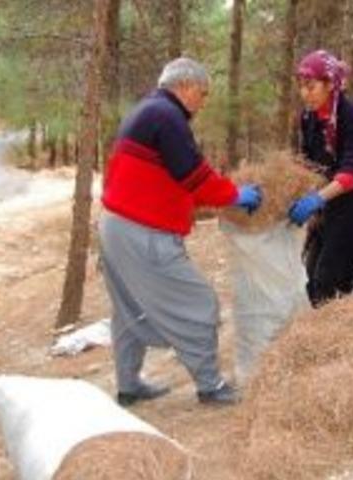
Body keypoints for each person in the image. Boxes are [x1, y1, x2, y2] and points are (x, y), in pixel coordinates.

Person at [99, 57, 262, 407]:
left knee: (129, 309)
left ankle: (129, 386)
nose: (202, 104)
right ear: (185, 86)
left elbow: (172, 177)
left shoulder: (147, 110)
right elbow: (195, 177)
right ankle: (211, 386)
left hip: (115, 226)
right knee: (200, 303)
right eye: (202, 94)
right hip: (142, 232)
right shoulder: (167, 116)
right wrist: (235, 195)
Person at [288, 50, 353, 308]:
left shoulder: (351, 117)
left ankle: (335, 334)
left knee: (330, 280)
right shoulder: (308, 117)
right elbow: (308, 162)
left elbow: (350, 175)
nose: (305, 93)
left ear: (330, 85)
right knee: (311, 273)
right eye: (301, 87)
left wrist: (316, 199)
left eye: (311, 86)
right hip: (327, 204)